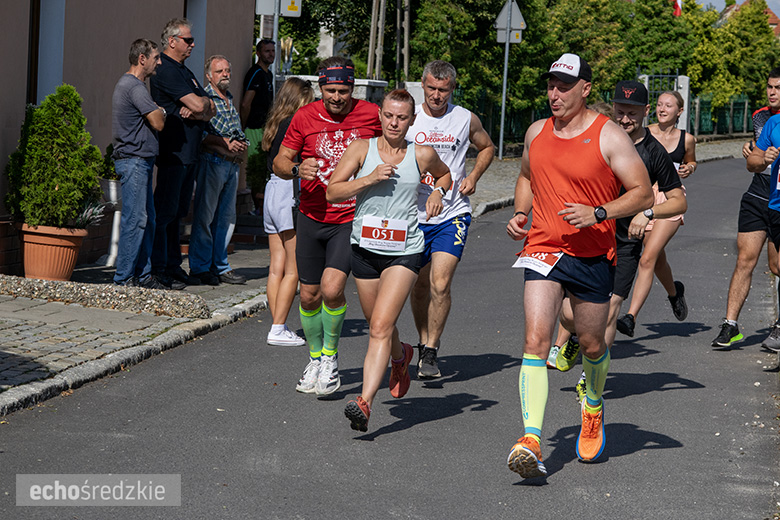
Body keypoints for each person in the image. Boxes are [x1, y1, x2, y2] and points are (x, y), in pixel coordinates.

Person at [505, 55, 653, 478]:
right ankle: (531, 438)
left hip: (592, 256)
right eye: (551, 85)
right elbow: (527, 177)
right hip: (544, 249)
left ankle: (592, 406)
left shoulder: (608, 136)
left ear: (585, 88)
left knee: (591, 344)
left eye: (564, 86)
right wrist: (520, 212)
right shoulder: (536, 131)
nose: (555, 94)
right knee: (536, 340)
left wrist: (600, 212)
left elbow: (642, 193)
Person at [552, 81, 687, 403]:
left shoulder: (653, 152)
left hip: (625, 241)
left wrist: (649, 211)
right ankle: (575, 337)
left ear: (644, 112)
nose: (625, 119)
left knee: (610, 310)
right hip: (587, 236)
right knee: (569, 313)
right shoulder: (597, 136)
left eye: (632, 113)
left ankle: (590, 377)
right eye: (620, 112)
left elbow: (679, 202)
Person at [327, 89, 451, 432]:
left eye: (402, 118)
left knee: (380, 327)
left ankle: (365, 403)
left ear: (412, 121)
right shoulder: (360, 149)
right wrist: (368, 178)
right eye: (389, 116)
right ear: (380, 115)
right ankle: (401, 358)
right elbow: (332, 191)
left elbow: (445, 175)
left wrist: (438, 192)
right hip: (364, 249)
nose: (394, 123)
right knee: (378, 324)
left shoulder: (421, 154)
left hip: (404, 250)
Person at [273, 57, 382, 396]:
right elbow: (279, 161)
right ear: (321, 87)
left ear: (353, 88)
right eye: (331, 90)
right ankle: (315, 359)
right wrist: (295, 169)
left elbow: (391, 148)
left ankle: (331, 359)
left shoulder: (370, 115)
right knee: (307, 295)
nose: (337, 97)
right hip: (311, 216)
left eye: (344, 90)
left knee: (333, 289)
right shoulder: (304, 117)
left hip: (350, 216)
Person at [406, 60, 495, 379]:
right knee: (419, 286)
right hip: (412, 214)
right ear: (422, 85)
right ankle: (421, 342)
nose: (436, 95)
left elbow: (487, 147)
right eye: (430, 88)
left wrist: (474, 175)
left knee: (439, 283)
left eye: (443, 90)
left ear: (452, 89)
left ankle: (431, 350)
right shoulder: (409, 118)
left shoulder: (465, 118)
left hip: (452, 211)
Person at [615, 89, 693, 336]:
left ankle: (630, 317)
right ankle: (674, 293)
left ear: (679, 111)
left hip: (668, 199)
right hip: (645, 195)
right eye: (659, 104)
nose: (662, 109)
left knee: (647, 258)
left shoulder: (686, 139)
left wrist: (689, 168)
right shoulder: (642, 132)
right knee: (657, 258)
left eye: (668, 106)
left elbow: (690, 160)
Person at [713, 69, 780, 349]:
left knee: (776, 266)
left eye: (778, 87)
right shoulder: (762, 117)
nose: (772, 92)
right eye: (769, 87)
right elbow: (753, 156)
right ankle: (730, 325)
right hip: (758, 192)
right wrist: (757, 155)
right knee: (745, 259)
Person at [150, 18, 215, 289]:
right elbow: (198, 103)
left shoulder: (184, 71)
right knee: (165, 212)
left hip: (189, 151)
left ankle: (174, 265)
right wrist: (200, 106)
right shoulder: (165, 70)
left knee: (177, 212)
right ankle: (159, 268)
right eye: (188, 40)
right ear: (172, 41)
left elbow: (209, 105)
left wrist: (202, 108)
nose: (192, 44)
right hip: (173, 151)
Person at [261, 77, 314, 346]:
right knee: (293, 268)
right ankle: (278, 327)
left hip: (272, 190)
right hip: (289, 189)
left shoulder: (274, 123)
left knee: (276, 267)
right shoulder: (296, 123)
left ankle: (277, 323)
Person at [111, 39, 166, 290]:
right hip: (134, 162)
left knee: (147, 219)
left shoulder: (135, 86)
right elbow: (158, 122)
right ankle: (123, 279)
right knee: (135, 220)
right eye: (156, 57)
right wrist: (160, 111)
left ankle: (142, 276)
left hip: (140, 162)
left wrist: (157, 110)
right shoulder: (135, 87)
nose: (159, 61)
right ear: (142, 58)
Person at [187, 55, 247, 286]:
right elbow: (200, 134)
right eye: (220, 71)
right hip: (212, 161)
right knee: (205, 216)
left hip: (231, 165)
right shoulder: (204, 99)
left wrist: (239, 144)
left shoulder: (229, 98)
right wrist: (224, 142)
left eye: (227, 70)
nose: (225, 74)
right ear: (209, 76)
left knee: (226, 218)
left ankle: (221, 265)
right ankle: (201, 267)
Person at [745, 94, 780, 354]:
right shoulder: (773, 123)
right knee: (776, 265)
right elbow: (753, 161)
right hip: (776, 203)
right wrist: (764, 158)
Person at [241, 39, 276, 148]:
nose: (271, 54)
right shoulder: (256, 73)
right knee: (254, 162)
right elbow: (245, 104)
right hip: (253, 128)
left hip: (264, 127)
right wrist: (243, 127)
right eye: (267, 51)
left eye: (273, 51)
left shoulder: (269, 74)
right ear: (258, 53)